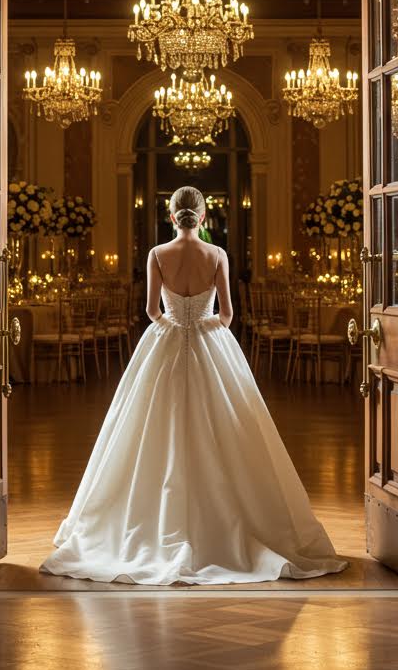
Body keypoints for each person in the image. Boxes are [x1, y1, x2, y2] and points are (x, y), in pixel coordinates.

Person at [41, 185, 346, 585]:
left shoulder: (157, 254)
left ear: (171, 216)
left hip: (165, 341)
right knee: (230, 427)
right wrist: (203, 326)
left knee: (148, 429)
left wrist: (173, 325)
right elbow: (228, 315)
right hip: (209, 340)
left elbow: (151, 311)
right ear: (202, 217)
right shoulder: (217, 254)